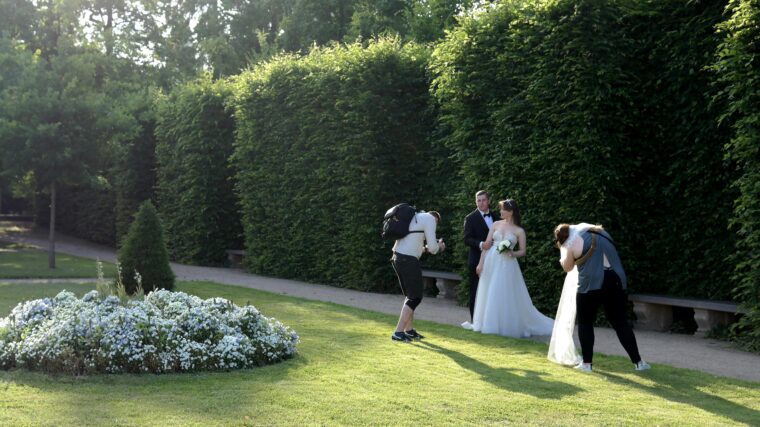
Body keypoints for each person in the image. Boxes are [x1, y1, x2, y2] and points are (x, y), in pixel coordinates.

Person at [554, 223, 650, 372]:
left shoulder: (572, 241)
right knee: (621, 323)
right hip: (616, 279)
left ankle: (587, 364)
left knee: (585, 323)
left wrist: (563, 257)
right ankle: (639, 362)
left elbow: (568, 267)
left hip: (591, 283)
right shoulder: (602, 233)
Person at [462, 199, 553, 337]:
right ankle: (488, 322)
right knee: (488, 290)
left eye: (503, 209)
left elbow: (523, 251)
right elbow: (487, 245)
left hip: (507, 263)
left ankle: (504, 324)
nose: (500, 211)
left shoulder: (519, 231)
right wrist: (480, 263)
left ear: (510, 212)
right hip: (491, 260)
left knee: (503, 291)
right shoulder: (496, 224)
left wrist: (513, 253)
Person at [390, 210, 446, 342]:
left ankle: (409, 330)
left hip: (397, 257)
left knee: (410, 296)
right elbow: (433, 249)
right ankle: (398, 332)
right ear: (435, 220)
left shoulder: (415, 217)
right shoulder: (430, 220)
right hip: (408, 260)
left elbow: (416, 246)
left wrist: (428, 248)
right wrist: (439, 246)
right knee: (415, 297)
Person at [547, 223, 595, 366]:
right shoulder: (584, 237)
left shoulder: (568, 245)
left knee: (570, 314)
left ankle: (578, 356)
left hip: (577, 278)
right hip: (587, 276)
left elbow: (567, 267)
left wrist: (563, 259)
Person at [463, 190, 497, 321]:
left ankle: (490, 320)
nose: (481, 203)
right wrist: (481, 244)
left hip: (496, 260)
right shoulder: (470, 218)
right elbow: (467, 239)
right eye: (478, 200)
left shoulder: (497, 217)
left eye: (483, 200)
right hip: (476, 260)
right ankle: (475, 321)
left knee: (493, 291)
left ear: (489, 201)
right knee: (475, 291)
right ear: (475, 202)